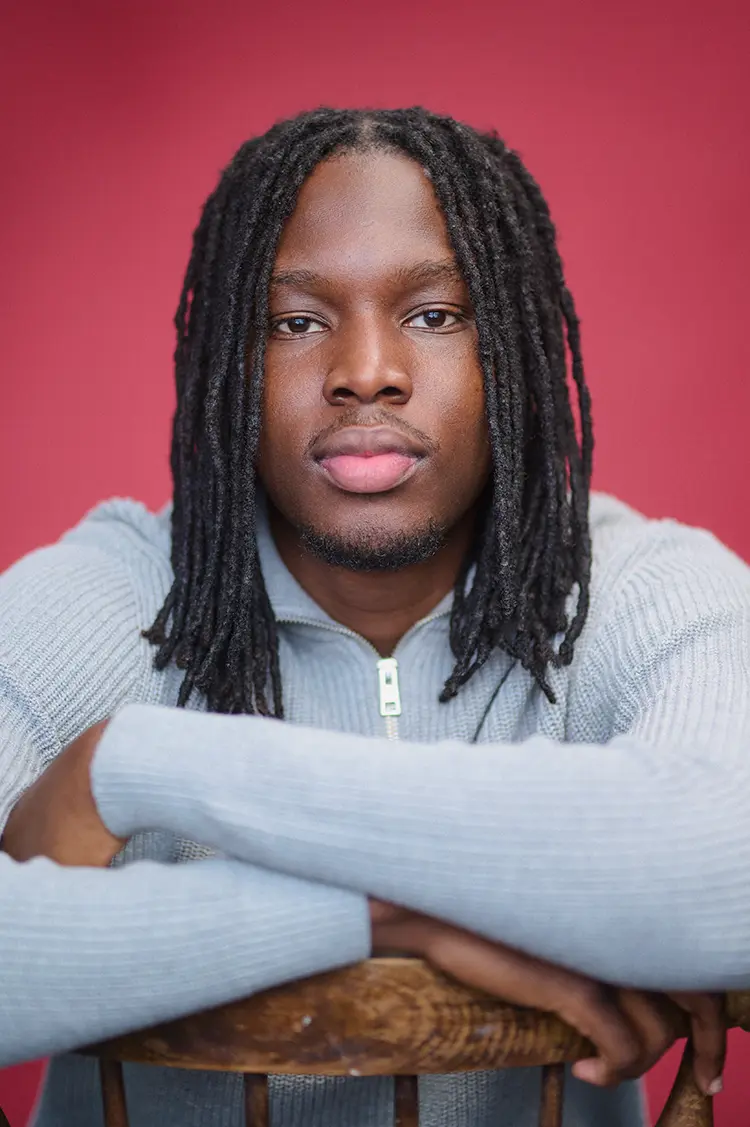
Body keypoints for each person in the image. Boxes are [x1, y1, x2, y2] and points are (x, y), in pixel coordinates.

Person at [0, 107, 748, 1127]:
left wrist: (137, 764)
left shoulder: (635, 582)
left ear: (515, 351)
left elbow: (727, 869)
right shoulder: (116, 596)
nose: (365, 369)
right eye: (297, 320)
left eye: (436, 314)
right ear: (227, 361)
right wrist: (386, 914)